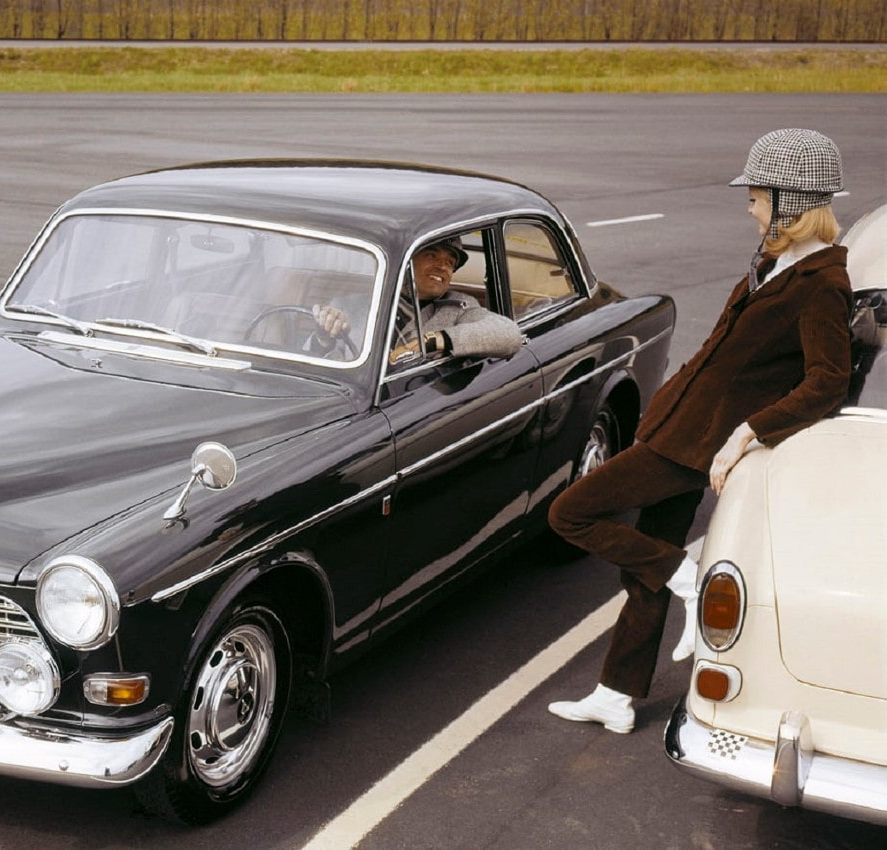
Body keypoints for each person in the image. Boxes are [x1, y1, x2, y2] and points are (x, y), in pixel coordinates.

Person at [545, 128, 854, 734]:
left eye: (757, 198)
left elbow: (828, 381)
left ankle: (689, 577)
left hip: (695, 445)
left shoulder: (822, 283)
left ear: (789, 203)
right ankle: (616, 695)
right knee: (646, 569)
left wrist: (747, 433)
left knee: (570, 513)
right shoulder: (775, 263)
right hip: (680, 427)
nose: (750, 208)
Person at [310, 239, 523, 362]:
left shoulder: (460, 307)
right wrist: (323, 340)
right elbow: (314, 368)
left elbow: (509, 333)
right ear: (406, 261)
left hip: (417, 404)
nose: (442, 267)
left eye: (450, 263)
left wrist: (431, 341)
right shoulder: (350, 304)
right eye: (432, 256)